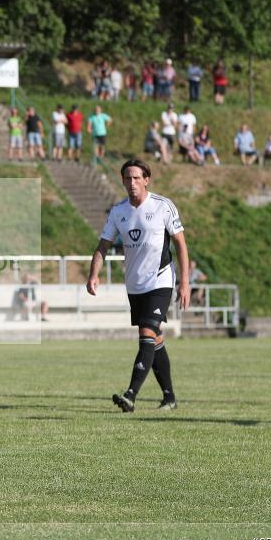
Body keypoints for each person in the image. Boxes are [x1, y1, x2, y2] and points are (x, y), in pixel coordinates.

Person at [87, 159, 190, 412]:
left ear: (147, 179)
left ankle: (130, 395)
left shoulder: (163, 206)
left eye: (136, 178)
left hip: (161, 279)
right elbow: (103, 246)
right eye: (127, 178)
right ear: (122, 181)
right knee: (155, 340)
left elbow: (180, 244)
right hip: (135, 284)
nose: (132, 183)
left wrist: (185, 281)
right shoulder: (118, 212)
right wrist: (93, 274)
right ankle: (169, 397)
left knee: (146, 335)